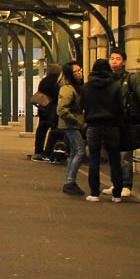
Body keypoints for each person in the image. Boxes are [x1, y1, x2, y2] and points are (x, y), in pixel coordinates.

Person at [81, 58, 124, 202]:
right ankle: (117, 194)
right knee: (114, 159)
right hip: (112, 126)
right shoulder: (115, 86)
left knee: (94, 160)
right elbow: (120, 107)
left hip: (93, 125)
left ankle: (94, 193)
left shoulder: (86, 87)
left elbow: (83, 104)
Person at [104, 47, 140, 197]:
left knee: (125, 155)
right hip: (111, 122)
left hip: (128, 122)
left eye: (118, 59)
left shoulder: (131, 79)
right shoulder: (108, 79)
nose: (114, 62)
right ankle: (116, 184)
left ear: (124, 61)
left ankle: (126, 184)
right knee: (113, 154)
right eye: (112, 58)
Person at [56, 61, 85, 195]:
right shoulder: (67, 89)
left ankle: (69, 181)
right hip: (71, 125)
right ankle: (69, 181)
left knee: (75, 152)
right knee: (80, 152)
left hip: (72, 125)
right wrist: (77, 122)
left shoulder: (74, 88)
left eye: (80, 70)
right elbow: (62, 110)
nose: (80, 73)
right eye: (76, 72)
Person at [31, 63, 61, 162]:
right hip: (53, 111)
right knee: (53, 132)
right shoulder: (58, 82)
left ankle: (38, 151)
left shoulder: (44, 81)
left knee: (41, 132)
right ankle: (50, 152)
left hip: (43, 110)